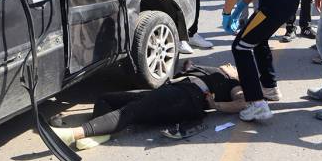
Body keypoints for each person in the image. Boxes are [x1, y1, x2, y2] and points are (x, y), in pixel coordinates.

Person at [194, 0, 299, 120]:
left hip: (275, 0)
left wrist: (226, 14)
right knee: (257, 40)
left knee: (240, 47)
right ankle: (269, 88)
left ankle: (257, 104)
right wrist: (240, 8)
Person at [50, 62, 246, 150]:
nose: (231, 64)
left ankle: (74, 134)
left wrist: (216, 105)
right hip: (172, 90)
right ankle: (100, 133)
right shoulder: (214, 70)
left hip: (187, 98)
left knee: (133, 110)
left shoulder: (233, 83)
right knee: (106, 98)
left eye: (236, 67)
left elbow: (241, 102)